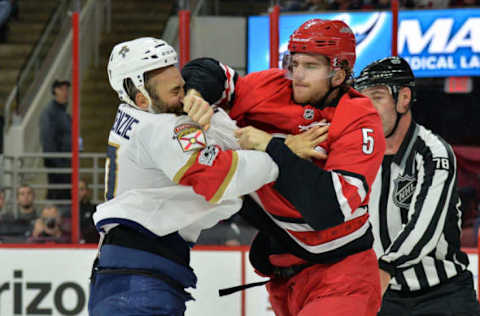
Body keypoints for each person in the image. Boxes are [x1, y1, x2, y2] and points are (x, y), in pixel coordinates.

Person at [182, 18, 386, 316]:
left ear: (339, 74)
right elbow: (209, 72)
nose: (297, 75)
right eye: (294, 62)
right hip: (283, 279)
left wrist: (272, 146)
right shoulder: (271, 85)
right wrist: (195, 95)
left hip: (341, 274)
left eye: (311, 66)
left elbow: (330, 209)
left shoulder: (359, 119)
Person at [88, 37, 281, 316]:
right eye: (178, 90)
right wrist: (279, 156)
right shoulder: (162, 128)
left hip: (124, 272)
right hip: (139, 280)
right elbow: (219, 176)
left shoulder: (139, 112)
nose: (187, 96)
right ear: (142, 98)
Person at [355, 56, 480, 316]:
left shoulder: (433, 152)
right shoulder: (358, 152)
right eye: (362, 99)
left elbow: (424, 228)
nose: (368, 108)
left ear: (403, 98)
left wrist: (384, 269)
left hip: (444, 297)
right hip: (387, 296)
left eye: (377, 97)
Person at [39, 79, 72, 200]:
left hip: (66, 163)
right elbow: (48, 141)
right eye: (61, 89)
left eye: (66, 89)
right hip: (58, 164)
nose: (65, 92)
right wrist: (59, 164)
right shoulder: (50, 113)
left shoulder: (64, 114)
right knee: (58, 195)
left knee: (63, 195)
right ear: (55, 91)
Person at [79, 178, 99, 243]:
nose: (78, 192)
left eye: (81, 189)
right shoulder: (68, 210)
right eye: (76, 189)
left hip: (90, 245)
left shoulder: (95, 209)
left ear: (87, 191)